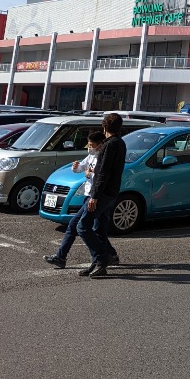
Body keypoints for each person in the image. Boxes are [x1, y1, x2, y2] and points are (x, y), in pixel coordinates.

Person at [43, 129, 105, 269]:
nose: (89, 148)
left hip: (94, 197)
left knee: (83, 228)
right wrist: (75, 167)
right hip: (88, 196)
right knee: (86, 227)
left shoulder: (102, 158)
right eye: (88, 145)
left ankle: (101, 257)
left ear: (100, 145)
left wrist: (89, 174)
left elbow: (99, 177)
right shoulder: (91, 156)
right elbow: (81, 168)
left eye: (92, 145)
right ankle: (61, 257)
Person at [76, 112, 127, 279]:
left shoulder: (108, 145)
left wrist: (94, 196)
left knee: (83, 226)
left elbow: (103, 172)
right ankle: (96, 262)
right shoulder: (120, 143)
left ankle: (101, 258)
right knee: (99, 227)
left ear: (104, 127)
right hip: (112, 191)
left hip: (102, 193)